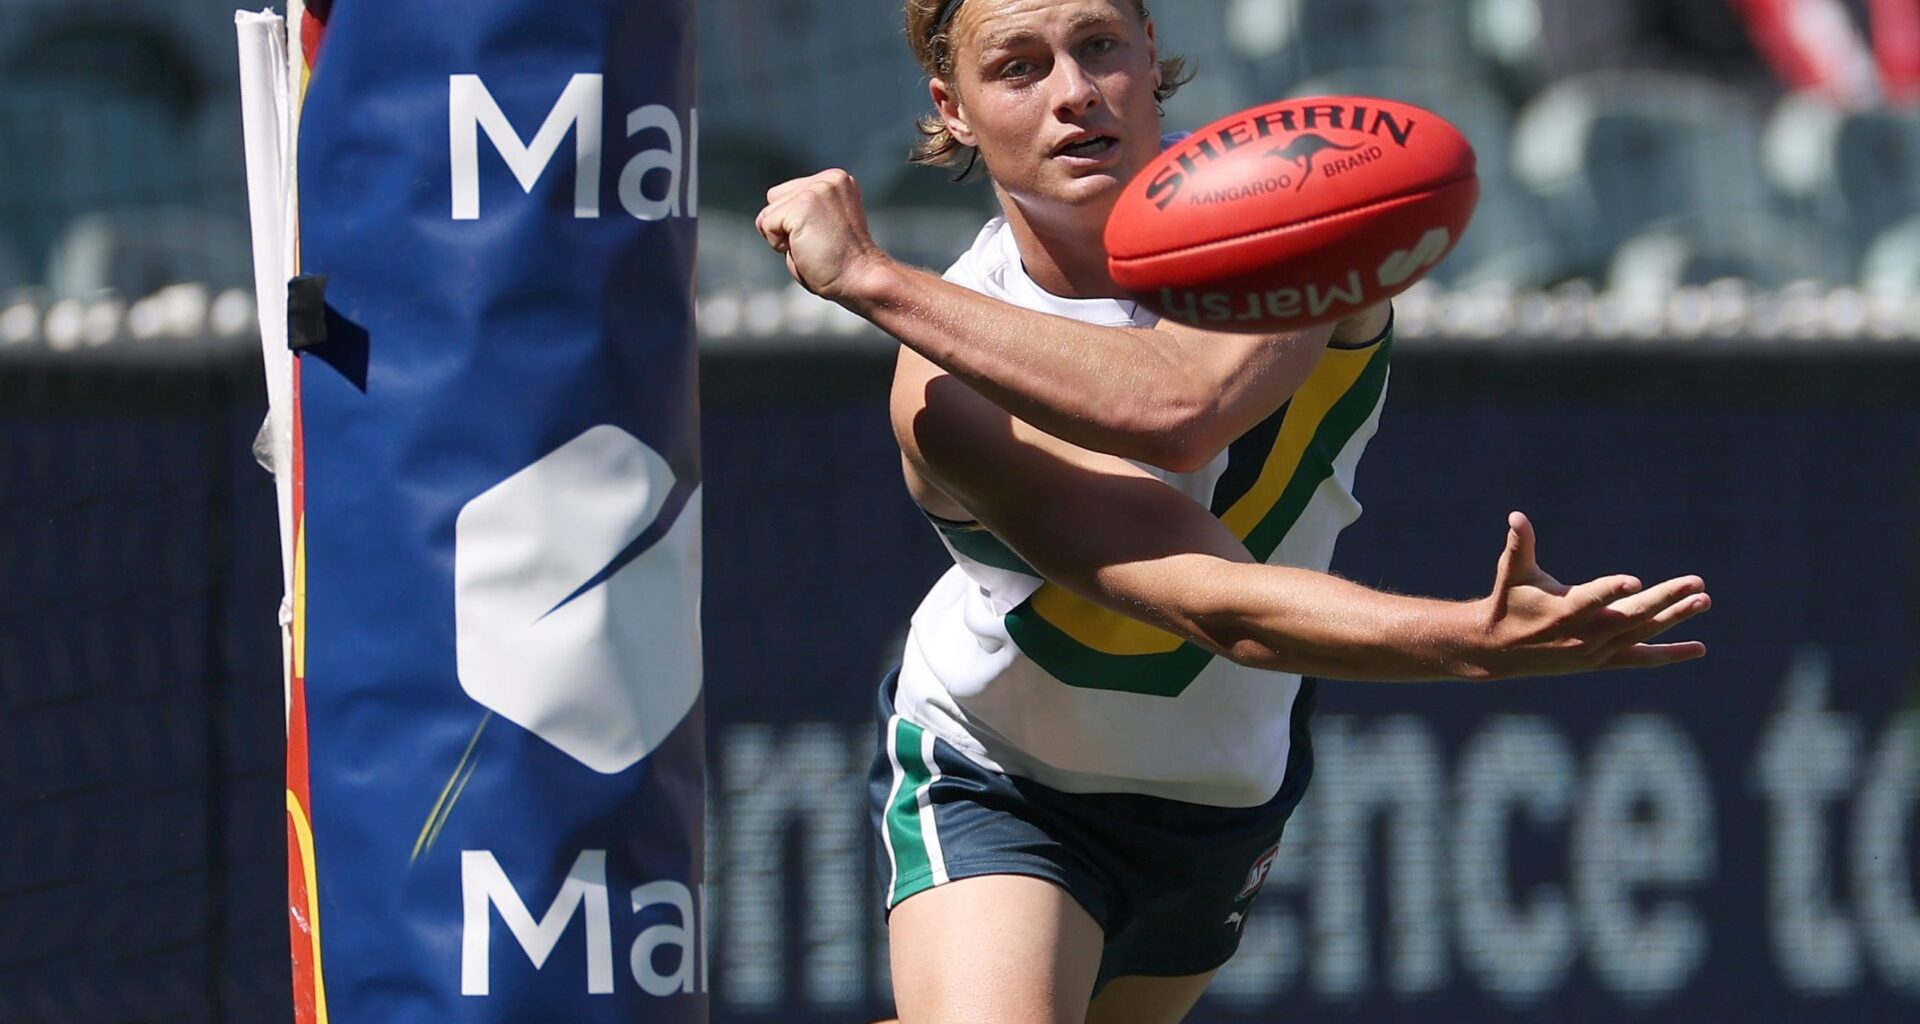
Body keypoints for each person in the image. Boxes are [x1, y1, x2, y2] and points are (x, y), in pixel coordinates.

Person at [754, 1, 1713, 1021]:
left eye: (1101, 44)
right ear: (954, 109)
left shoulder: (1297, 220)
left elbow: (1178, 399)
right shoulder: (941, 391)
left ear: (1152, 48)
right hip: (1001, 772)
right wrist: (1470, 639)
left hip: (1220, 802)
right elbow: (1214, 591)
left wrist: (868, 277)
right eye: (1020, 67)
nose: (1076, 91)